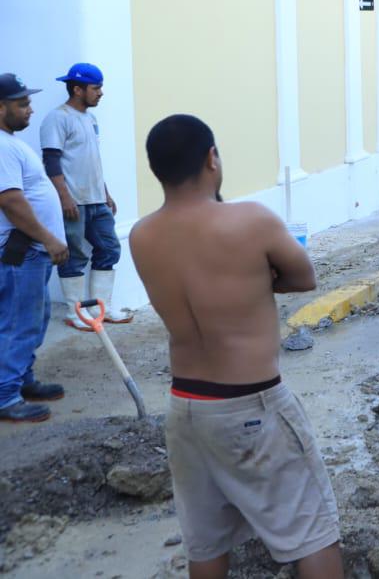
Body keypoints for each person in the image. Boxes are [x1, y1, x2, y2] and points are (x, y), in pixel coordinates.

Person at [130, 115, 341, 578]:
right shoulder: (251, 219)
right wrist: (255, 278)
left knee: (205, 542)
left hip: (185, 408)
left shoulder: (141, 236)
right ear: (211, 159)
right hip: (252, 406)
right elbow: (304, 276)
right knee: (313, 532)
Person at [0, 73, 69, 424]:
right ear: (1, 107)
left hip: (30, 252)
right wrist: (49, 237)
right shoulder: (1, 146)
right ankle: (5, 395)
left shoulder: (10, 143)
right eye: (22, 103)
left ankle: (21, 380)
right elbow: (11, 201)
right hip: (22, 250)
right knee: (17, 323)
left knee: (32, 320)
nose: (30, 109)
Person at [40, 63, 125, 329]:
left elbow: (91, 159)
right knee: (74, 255)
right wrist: (64, 197)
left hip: (97, 199)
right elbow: (51, 160)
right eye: (95, 88)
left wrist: (106, 193)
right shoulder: (58, 118)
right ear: (77, 89)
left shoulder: (91, 119)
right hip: (73, 201)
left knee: (109, 248)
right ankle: (75, 312)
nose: (100, 93)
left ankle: (102, 308)